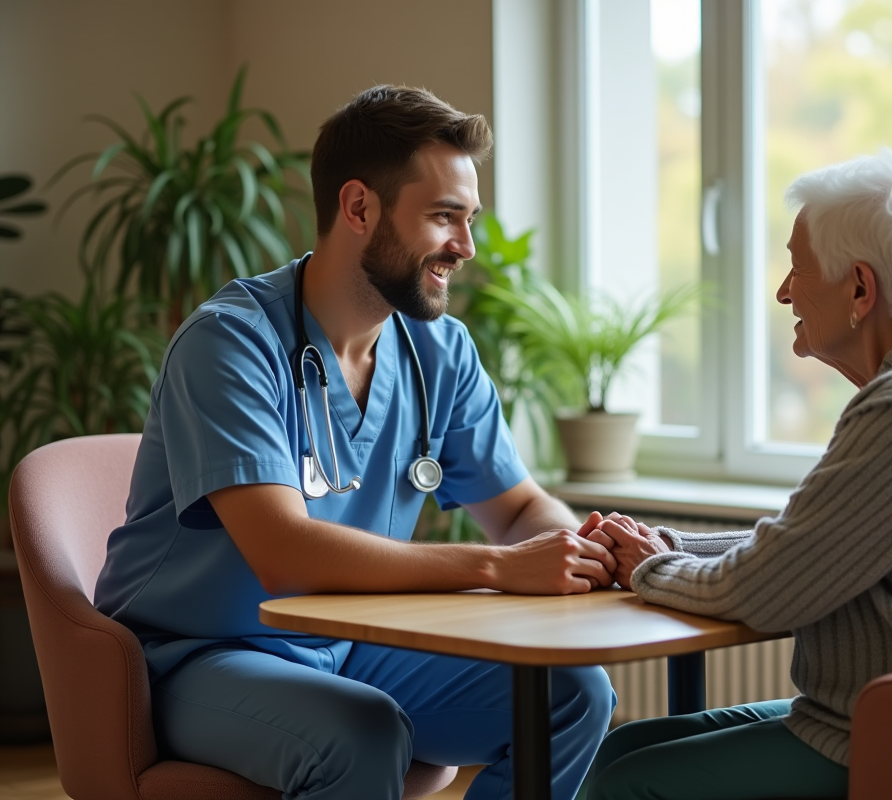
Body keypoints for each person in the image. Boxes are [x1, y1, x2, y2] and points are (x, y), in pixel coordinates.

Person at [93, 85, 617, 800]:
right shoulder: (231, 343)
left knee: (573, 693)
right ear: (359, 207)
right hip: (199, 657)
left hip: (348, 648)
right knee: (363, 733)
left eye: (469, 220)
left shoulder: (440, 351)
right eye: (443, 217)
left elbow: (520, 509)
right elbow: (284, 555)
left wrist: (588, 550)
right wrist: (498, 569)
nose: (464, 247)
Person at [581, 149, 892, 800]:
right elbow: (808, 546)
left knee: (629, 783)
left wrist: (648, 567)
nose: (785, 291)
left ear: (860, 290)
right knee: (627, 744)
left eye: (797, 267)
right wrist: (666, 547)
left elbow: (770, 590)